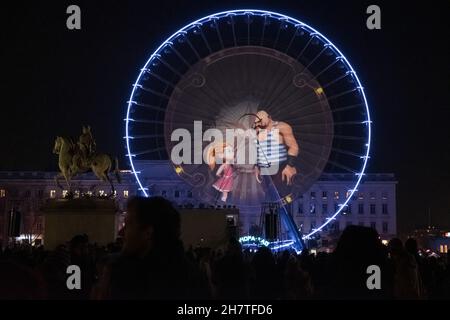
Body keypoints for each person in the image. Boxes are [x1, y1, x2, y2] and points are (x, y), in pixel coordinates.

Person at [93, 196, 206, 299]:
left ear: (148, 232)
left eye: (128, 226)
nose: (121, 232)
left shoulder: (126, 278)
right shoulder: (195, 276)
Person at [253, 110, 299, 198]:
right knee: (265, 195)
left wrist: (290, 165)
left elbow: (293, 146)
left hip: (281, 167)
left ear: (269, 117)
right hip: (264, 170)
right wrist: (256, 165)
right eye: (257, 121)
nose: (259, 123)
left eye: (260, 120)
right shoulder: (257, 130)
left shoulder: (282, 127)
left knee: (280, 193)